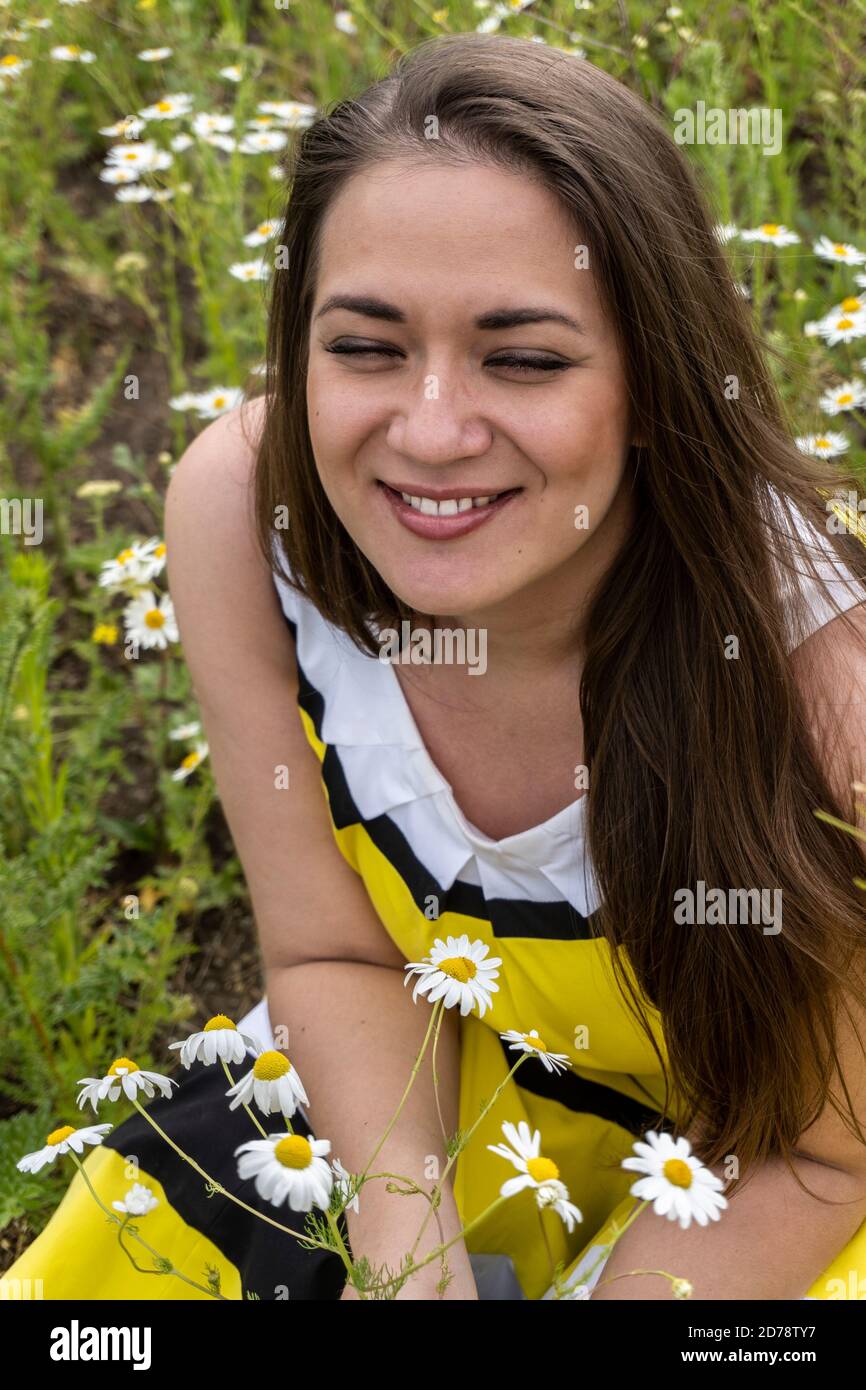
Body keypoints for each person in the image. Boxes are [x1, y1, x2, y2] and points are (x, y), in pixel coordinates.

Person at [10, 31, 866, 1302]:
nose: (428, 431)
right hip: (435, 1092)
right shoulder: (246, 517)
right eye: (363, 346)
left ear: (658, 377)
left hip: (782, 1170)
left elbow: (825, 1154)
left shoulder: (813, 680)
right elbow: (334, 960)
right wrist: (413, 1274)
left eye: (523, 357)